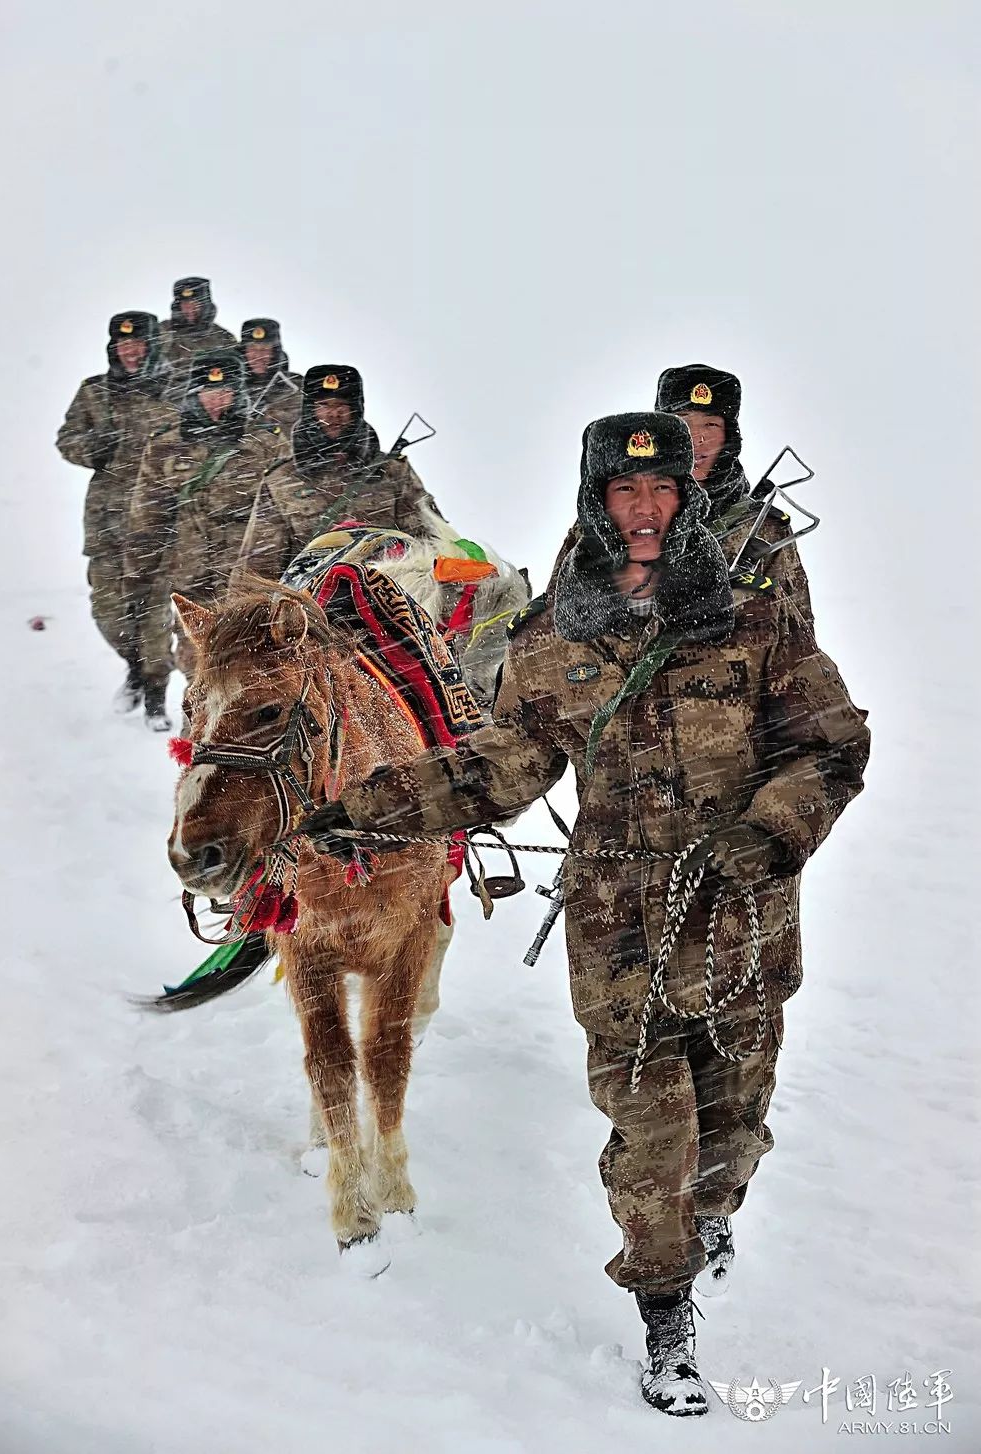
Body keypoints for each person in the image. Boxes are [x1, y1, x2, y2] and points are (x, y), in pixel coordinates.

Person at [300, 412, 870, 1417]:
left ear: (683, 499)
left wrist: (768, 832)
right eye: (623, 492)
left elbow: (830, 745)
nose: (644, 509)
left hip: (739, 911)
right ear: (596, 500)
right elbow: (500, 765)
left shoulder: (748, 617)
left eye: (659, 491)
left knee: (729, 1122)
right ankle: (666, 1314)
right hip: (616, 918)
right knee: (649, 1129)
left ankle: (713, 1207)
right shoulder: (556, 634)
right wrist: (367, 810)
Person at [124, 348, 286, 721]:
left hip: (250, 570)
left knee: (249, 657)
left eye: (227, 391)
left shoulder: (264, 441)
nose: (218, 399)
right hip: (190, 567)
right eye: (209, 391)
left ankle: (241, 733)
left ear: (239, 393)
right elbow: (147, 513)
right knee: (197, 658)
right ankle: (200, 731)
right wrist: (138, 574)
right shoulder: (168, 442)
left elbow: (284, 503)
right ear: (194, 393)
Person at [56, 311, 177, 713]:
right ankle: (136, 667)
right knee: (109, 612)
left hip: (160, 520)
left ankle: (156, 691)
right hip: (108, 522)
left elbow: (199, 442)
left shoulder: (174, 392)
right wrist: (94, 448)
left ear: (152, 347)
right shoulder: (95, 393)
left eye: (138, 344)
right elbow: (67, 440)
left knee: (155, 610)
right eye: (123, 345)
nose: (130, 352)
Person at [241, 364, 446, 578]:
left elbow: (430, 542)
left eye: (342, 405)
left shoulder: (393, 471)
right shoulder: (281, 480)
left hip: (387, 600)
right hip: (307, 605)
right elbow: (257, 568)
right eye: (323, 405)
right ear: (310, 410)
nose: (333, 414)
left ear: (356, 409)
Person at [655, 363, 813, 622]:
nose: (697, 438)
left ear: (729, 437)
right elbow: (568, 632)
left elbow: (798, 632)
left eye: (711, 425)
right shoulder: (613, 521)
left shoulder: (765, 528)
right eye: (683, 421)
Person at [157, 277, 235, 401]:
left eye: (195, 303)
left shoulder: (224, 338)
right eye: (185, 304)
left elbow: (235, 376)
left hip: (212, 403)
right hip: (169, 404)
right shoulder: (164, 331)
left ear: (205, 304)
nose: (189, 309)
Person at [238, 317, 304, 433]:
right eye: (252, 348)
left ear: (275, 352)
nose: (258, 355)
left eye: (265, 349)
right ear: (243, 351)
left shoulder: (298, 387)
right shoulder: (229, 388)